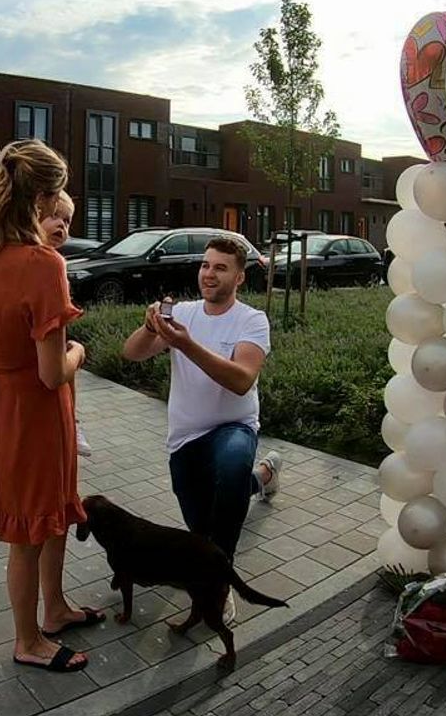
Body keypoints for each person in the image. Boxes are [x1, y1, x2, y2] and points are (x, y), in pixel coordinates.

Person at [0, 140, 102, 673]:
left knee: (51, 514)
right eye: (58, 191)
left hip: (0, 409)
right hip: (35, 410)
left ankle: (55, 608)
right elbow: (50, 370)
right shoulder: (44, 265)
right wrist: (79, 352)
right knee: (30, 533)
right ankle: (27, 639)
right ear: (42, 198)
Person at [120, 236, 282, 623]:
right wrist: (148, 329)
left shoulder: (251, 320)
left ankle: (217, 585)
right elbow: (132, 353)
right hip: (185, 437)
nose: (209, 274)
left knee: (228, 472)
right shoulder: (184, 314)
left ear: (239, 278)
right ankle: (262, 477)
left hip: (233, 427)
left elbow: (242, 379)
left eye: (220, 268)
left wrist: (186, 345)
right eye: (205, 265)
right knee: (202, 527)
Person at [39, 192, 93, 457]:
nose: (62, 225)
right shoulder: (48, 264)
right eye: (53, 216)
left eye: (67, 220)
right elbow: (55, 373)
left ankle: (74, 420)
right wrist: (79, 353)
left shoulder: (52, 261)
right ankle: (72, 422)